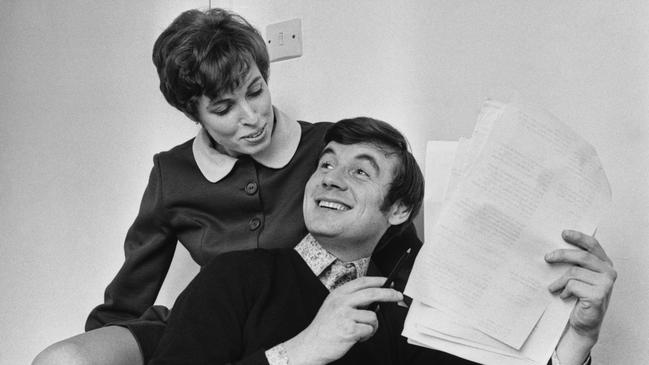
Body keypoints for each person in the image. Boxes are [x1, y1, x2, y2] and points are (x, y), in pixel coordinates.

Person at [32, 9, 419, 365]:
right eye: (223, 108)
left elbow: (388, 222)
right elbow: (132, 285)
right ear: (194, 113)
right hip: (199, 322)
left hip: (290, 318)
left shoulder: (326, 153)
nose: (252, 118)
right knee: (63, 360)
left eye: (255, 91)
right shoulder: (173, 173)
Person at [148, 117, 616, 365]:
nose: (330, 179)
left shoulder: (421, 307)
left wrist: (576, 339)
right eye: (326, 164)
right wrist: (299, 352)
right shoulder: (235, 278)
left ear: (399, 210)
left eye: (359, 171)